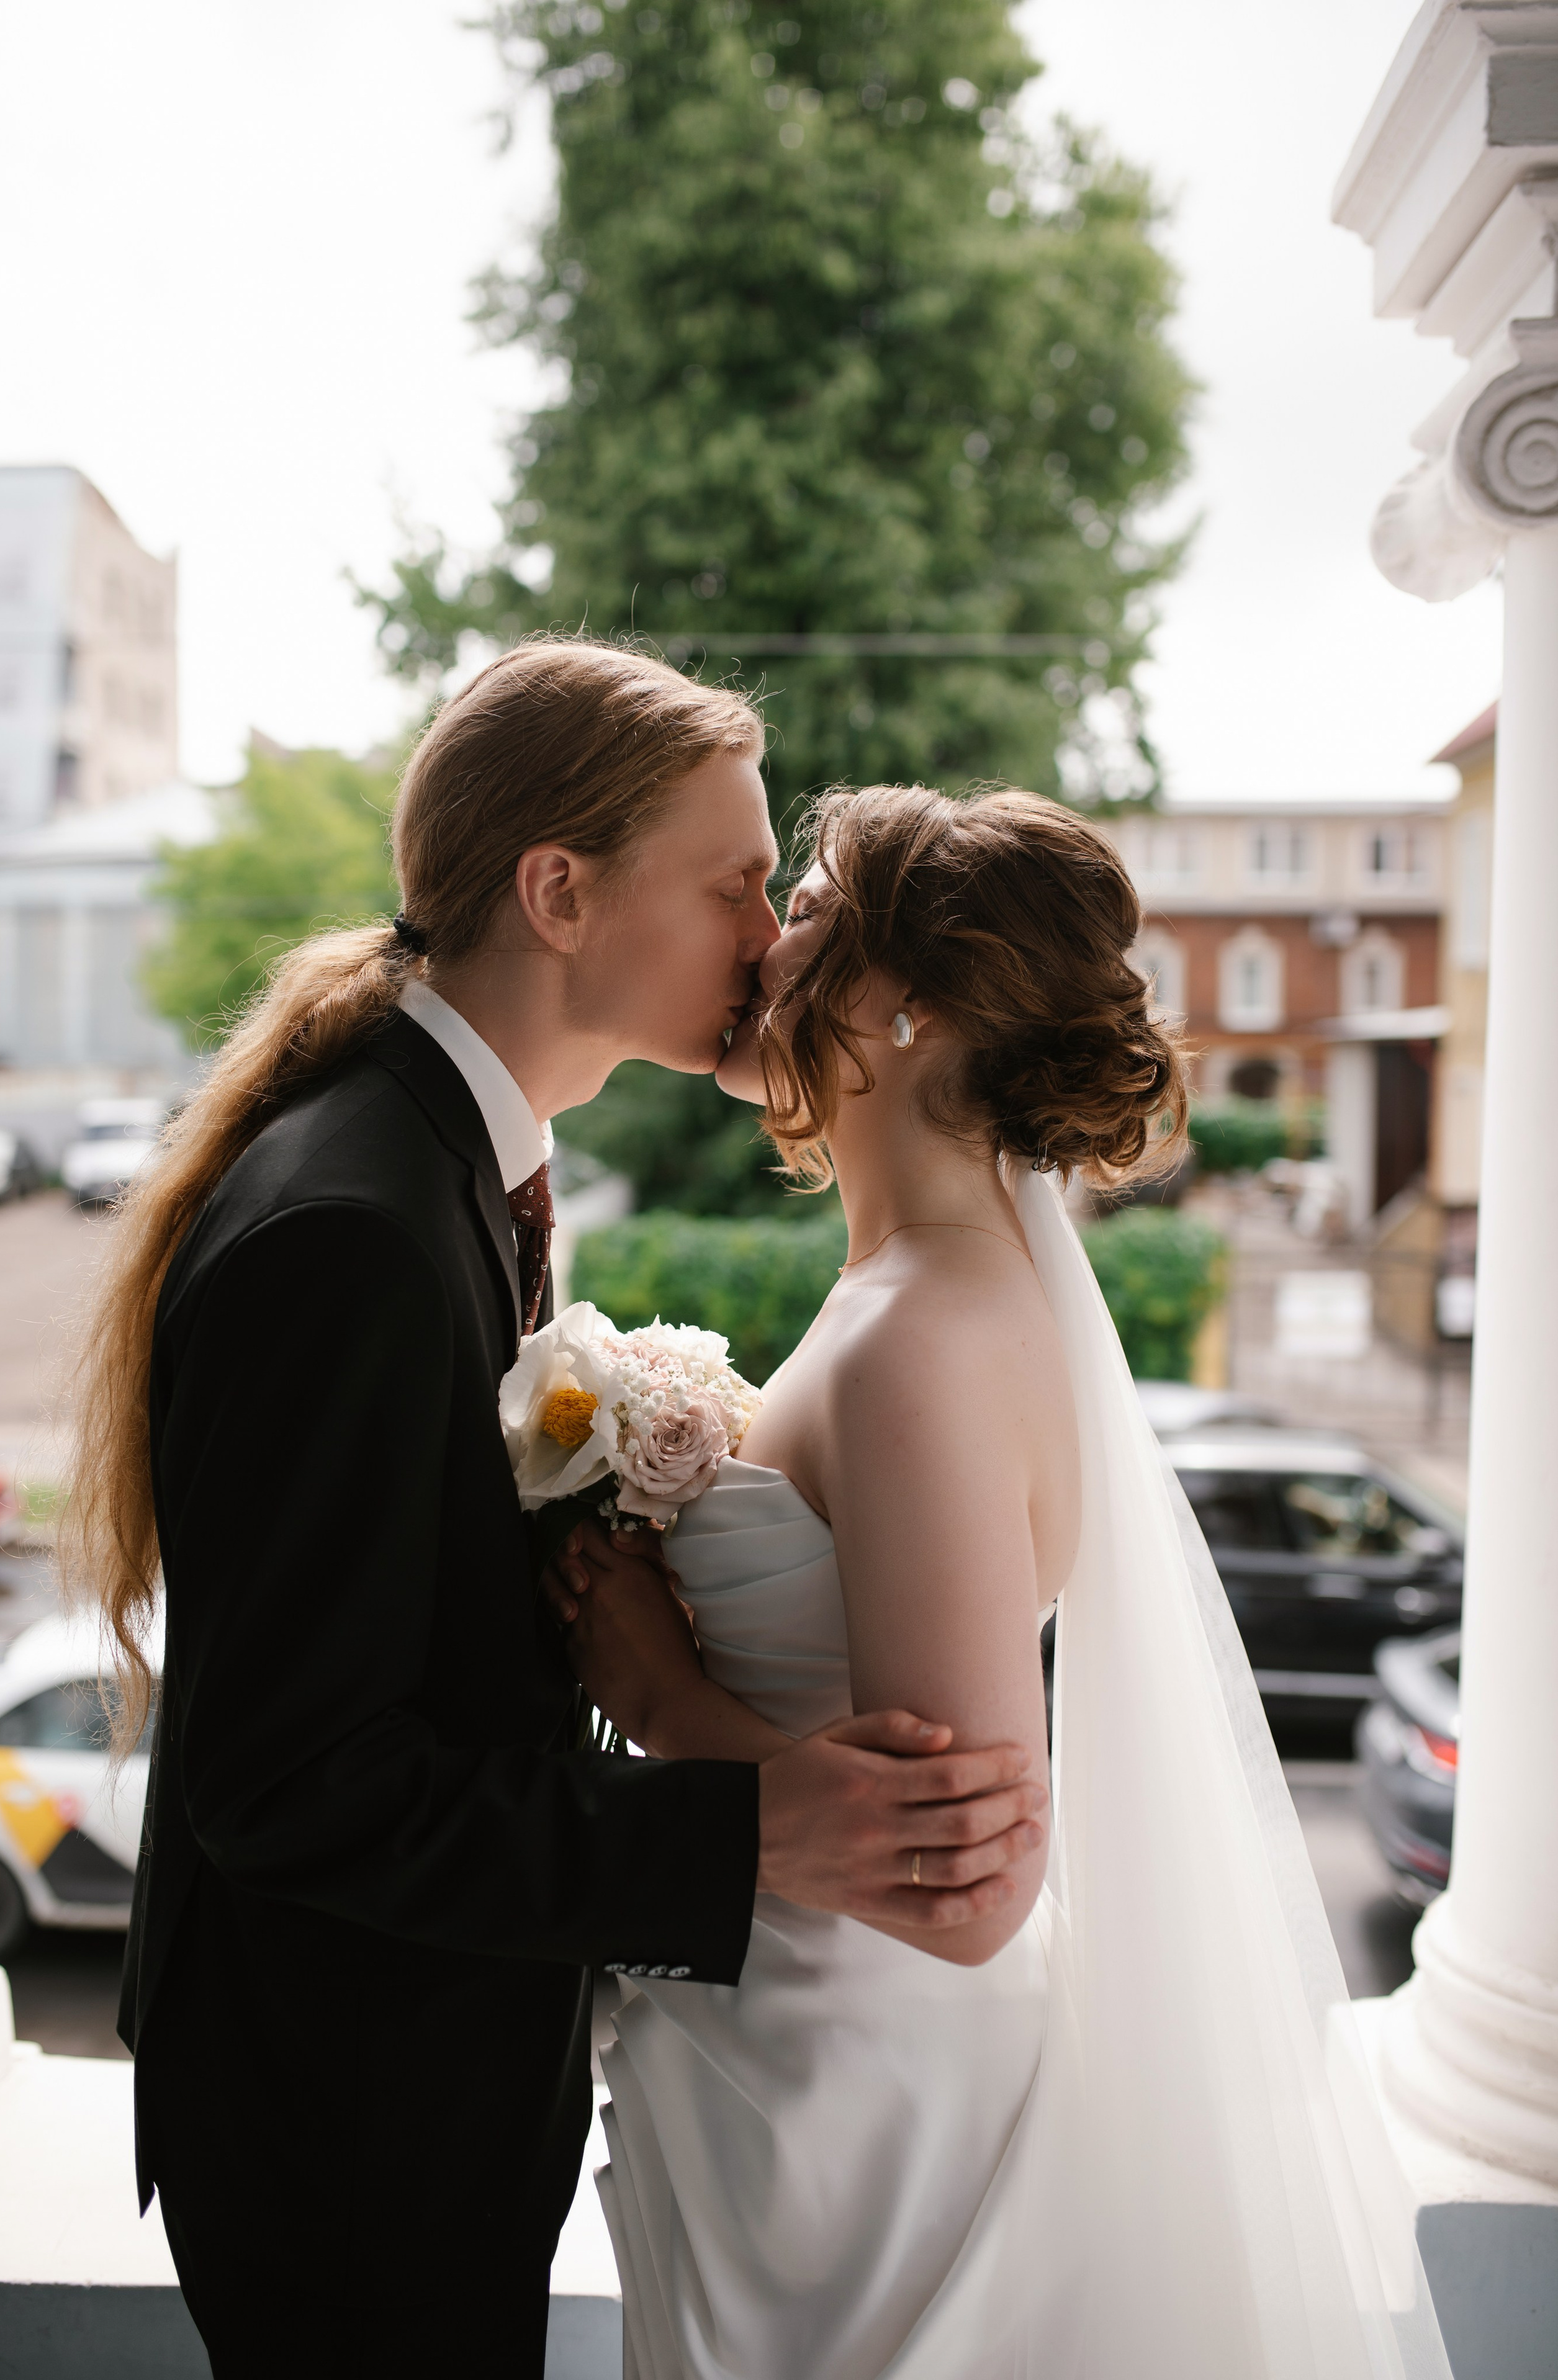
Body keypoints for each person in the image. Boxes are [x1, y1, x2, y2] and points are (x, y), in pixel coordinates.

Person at [61, 645, 1047, 2378]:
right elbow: (294, 1783)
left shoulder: (438, 1166)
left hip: (421, 2075)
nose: (769, 936)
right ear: (562, 892)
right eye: (737, 882)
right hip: (350, 2124)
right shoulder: (353, 1228)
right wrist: (745, 1832)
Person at [551, 785, 1454, 2380]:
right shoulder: (906, 1292)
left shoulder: (925, 1334)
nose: (765, 942)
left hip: (863, 2105)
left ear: (917, 1002)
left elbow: (964, 1895)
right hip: (795, 2052)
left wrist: (668, 1700)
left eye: (809, 905)